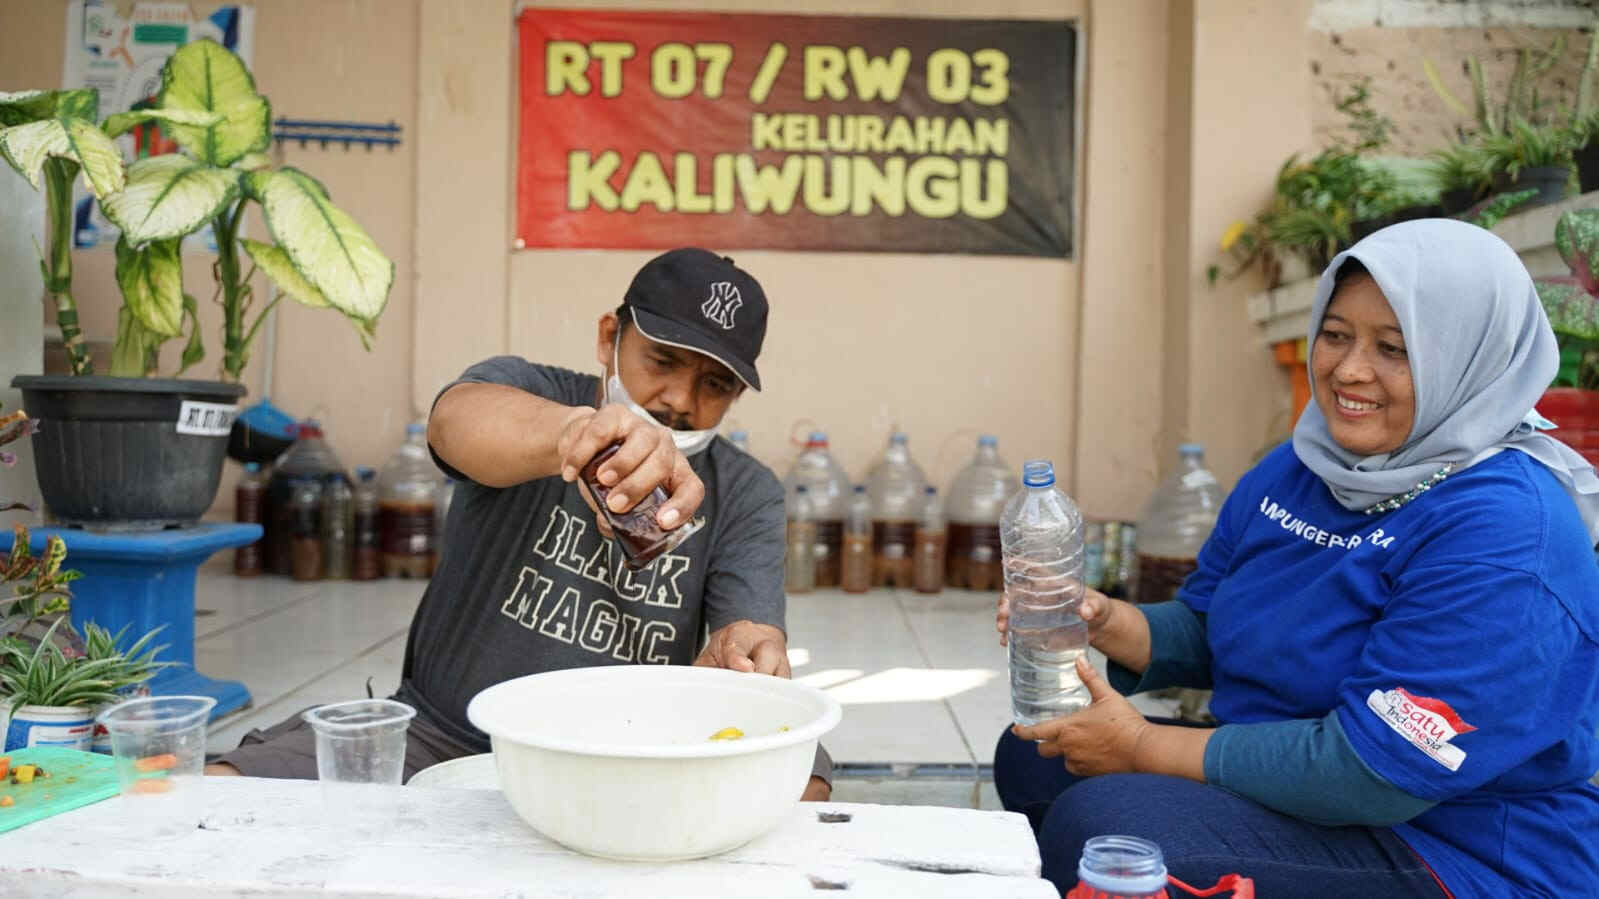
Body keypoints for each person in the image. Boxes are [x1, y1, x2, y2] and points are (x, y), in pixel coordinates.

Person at [993, 220, 1599, 897]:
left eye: (1393, 348)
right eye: (1335, 334)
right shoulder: (1306, 465)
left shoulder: (1508, 532)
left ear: (1466, 359)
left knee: (1111, 824)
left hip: (1454, 844)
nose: (1347, 369)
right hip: (1301, 792)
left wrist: (1138, 745)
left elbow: (1374, 770)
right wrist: (1099, 617)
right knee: (1037, 749)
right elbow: (1209, 625)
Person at [210, 248, 832, 800]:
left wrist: (743, 652)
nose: (680, 400)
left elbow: (746, 627)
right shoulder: (530, 393)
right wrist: (572, 434)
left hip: (637, 755)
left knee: (804, 773)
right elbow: (456, 423)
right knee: (219, 794)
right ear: (608, 337)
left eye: (715, 384)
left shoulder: (746, 490)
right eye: (662, 361)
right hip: (444, 733)